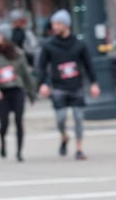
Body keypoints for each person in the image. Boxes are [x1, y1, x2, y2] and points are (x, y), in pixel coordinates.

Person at [35, 9, 100, 160]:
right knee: (61, 118)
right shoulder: (49, 45)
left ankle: (79, 149)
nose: (55, 26)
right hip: (58, 87)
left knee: (78, 116)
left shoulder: (79, 44)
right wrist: (43, 84)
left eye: (58, 23)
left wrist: (94, 83)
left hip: (76, 86)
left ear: (66, 24)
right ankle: (64, 136)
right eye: (53, 24)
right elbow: (42, 67)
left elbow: (88, 65)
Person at [0, 29, 37, 161]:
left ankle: (19, 152)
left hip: (16, 89)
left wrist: (32, 94)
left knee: (19, 121)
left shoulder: (18, 54)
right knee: (4, 122)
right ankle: (2, 142)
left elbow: (26, 74)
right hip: (2, 92)